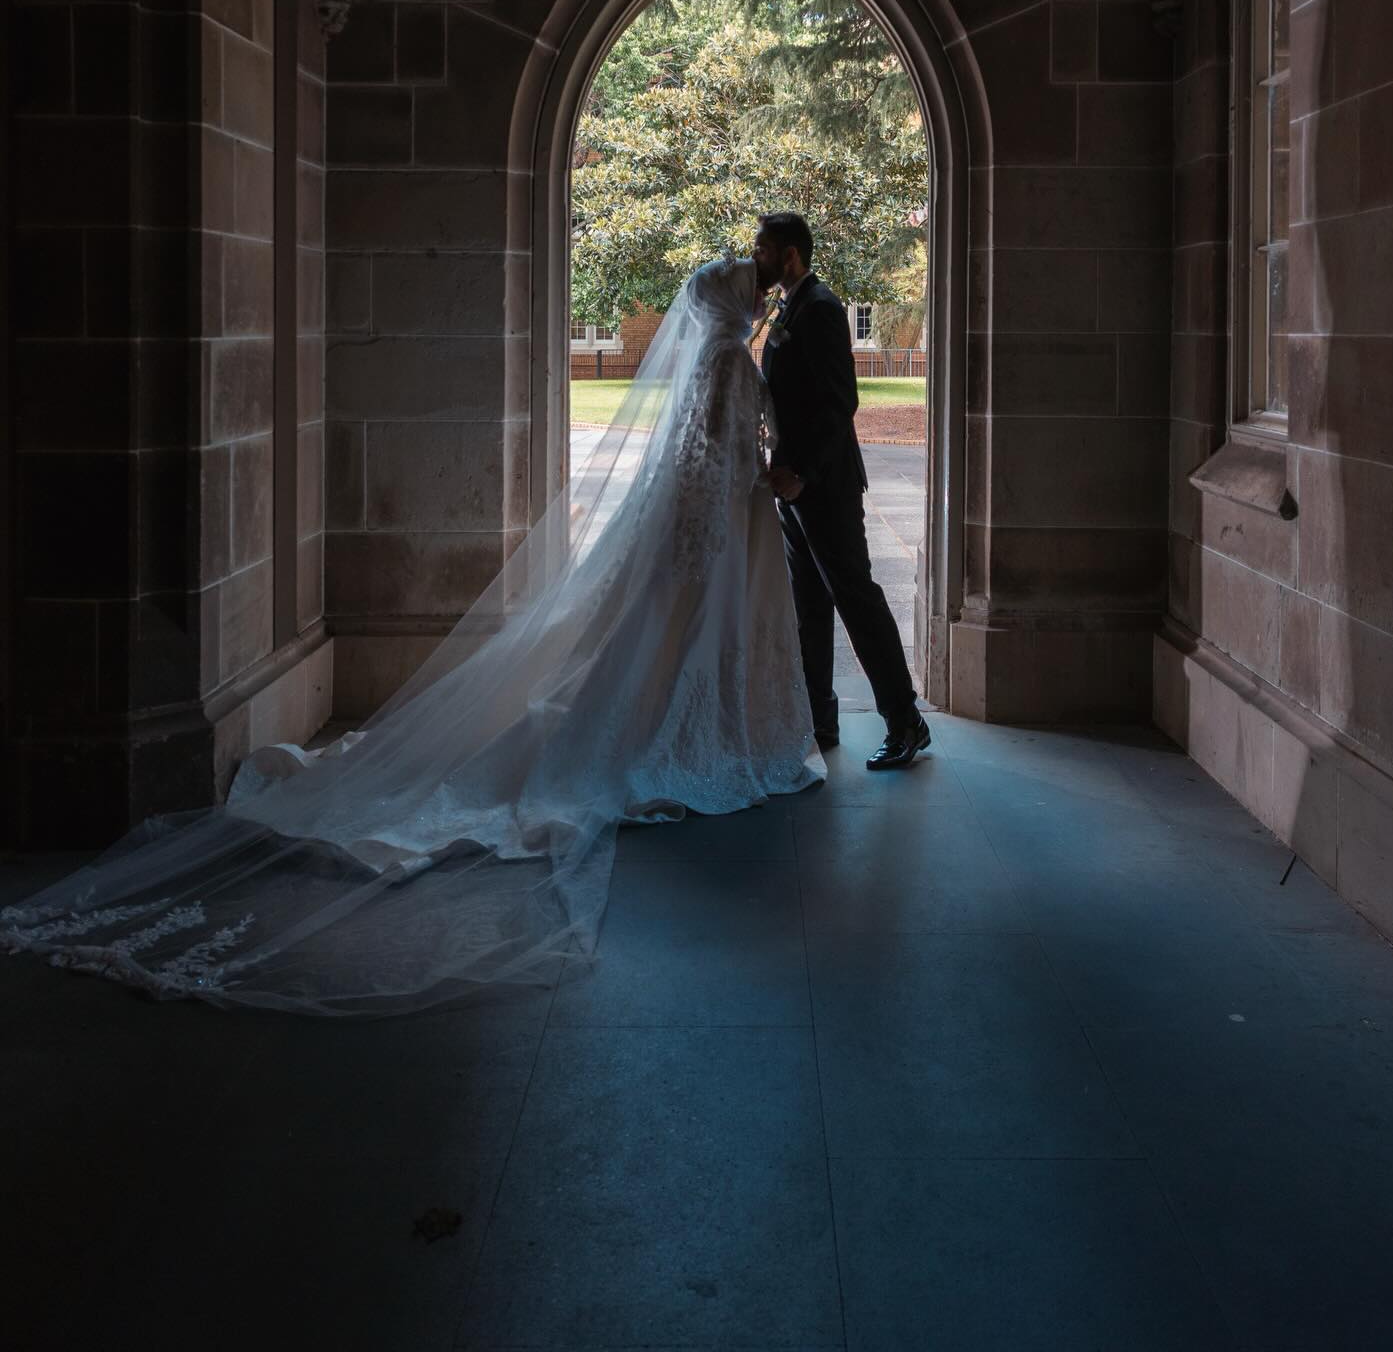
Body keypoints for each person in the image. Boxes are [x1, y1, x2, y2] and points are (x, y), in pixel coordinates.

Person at [0, 256, 823, 1015]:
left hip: (725, 519)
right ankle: (700, 732)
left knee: (669, 645)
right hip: (717, 522)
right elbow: (704, 454)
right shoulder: (724, 357)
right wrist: (747, 491)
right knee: (667, 649)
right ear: (724, 300)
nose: (757, 289)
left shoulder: (726, 352)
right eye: (747, 281)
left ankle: (717, 723)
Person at [753, 212, 931, 770]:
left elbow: (839, 404)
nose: (754, 257)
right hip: (792, 488)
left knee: (856, 598)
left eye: (763, 249)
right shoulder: (789, 308)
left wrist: (803, 471)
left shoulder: (824, 309)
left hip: (823, 485)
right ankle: (817, 720)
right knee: (808, 606)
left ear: (789, 256)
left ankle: (906, 722)